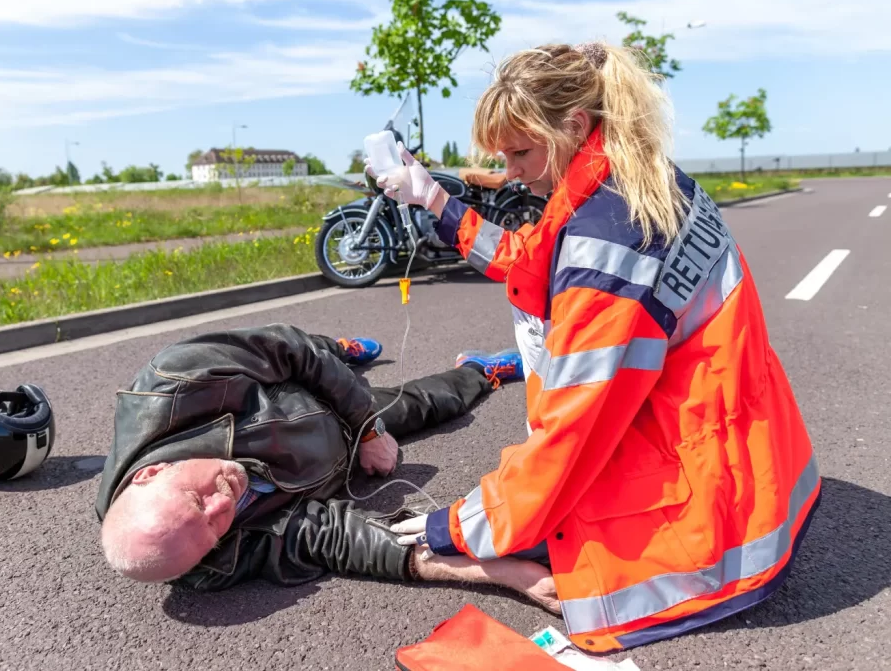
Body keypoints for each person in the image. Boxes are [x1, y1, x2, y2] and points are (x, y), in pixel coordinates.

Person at [368, 41, 821, 653]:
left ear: (575, 125)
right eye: (503, 154)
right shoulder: (637, 183)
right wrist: (436, 202)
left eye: (522, 152)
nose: (512, 171)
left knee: (571, 525)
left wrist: (461, 526)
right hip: (754, 447)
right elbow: (532, 261)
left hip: (714, 495)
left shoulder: (609, 237)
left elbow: (572, 431)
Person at [94, 323, 560, 609]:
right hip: (328, 453)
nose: (225, 503)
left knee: (320, 358)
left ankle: (337, 348)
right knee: (426, 405)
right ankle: (481, 369)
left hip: (305, 389)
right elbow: (336, 539)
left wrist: (370, 430)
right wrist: (499, 572)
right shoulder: (203, 560)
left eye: (198, 499)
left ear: (149, 473)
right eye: (216, 527)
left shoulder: (172, 382)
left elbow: (285, 347)